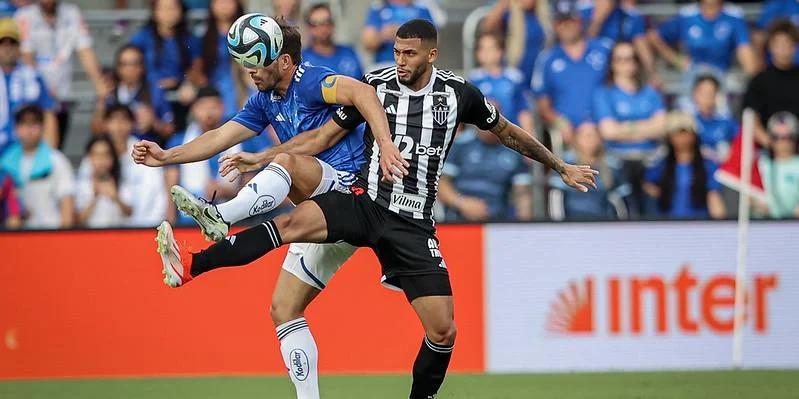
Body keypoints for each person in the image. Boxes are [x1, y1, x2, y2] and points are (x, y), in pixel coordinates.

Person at [153, 19, 597, 399]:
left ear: (431, 54)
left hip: (413, 223)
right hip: (363, 200)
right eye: (396, 52)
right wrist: (261, 157)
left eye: (408, 53)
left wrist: (560, 166)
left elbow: (507, 131)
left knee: (443, 331)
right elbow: (323, 137)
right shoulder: (378, 84)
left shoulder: (461, 95)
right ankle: (195, 261)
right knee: (288, 227)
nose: (400, 60)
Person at [132, 17, 405, 399]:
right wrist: (167, 156)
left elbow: (363, 93)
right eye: (245, 64)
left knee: (285, 163)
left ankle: (221, 215)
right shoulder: (265, 100)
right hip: (323, 212)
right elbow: (219, 135)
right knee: (284, 309)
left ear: (285, 61)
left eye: (257, 63)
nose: (250, 72)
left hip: (349, 190)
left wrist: (386, 144)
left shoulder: (312, 80)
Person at [14, 0, 105, 143]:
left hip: (61, 97)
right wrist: (44, 90)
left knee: (56, 147)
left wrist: (99, 84)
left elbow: (85, 50)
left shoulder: (72, 13)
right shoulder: (24, 16)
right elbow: (27, 58)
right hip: (34, 100)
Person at [593, 41, 665, 217]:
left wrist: (624, 128)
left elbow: (662, 127)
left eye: (630, 59)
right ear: (612, 63)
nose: (626, 64)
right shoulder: (604, 93)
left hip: (651, 158)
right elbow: (608, 131)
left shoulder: (650, 92)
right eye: (620, 59)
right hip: (617, 158)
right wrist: (644, 127)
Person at [532, 0, 612, 147]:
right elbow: (541, 102)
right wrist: (559, 122)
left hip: (605, 127)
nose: (566, 26)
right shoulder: (547, 58)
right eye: (561, 22)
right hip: (567, 134)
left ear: (580, 21)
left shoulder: (603, 49)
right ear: (555, 25)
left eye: (570, 20)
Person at [164, 86, 241, 224]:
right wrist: (170, 218)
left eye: (213, 107)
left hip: (231, 217)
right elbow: (171, 183)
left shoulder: (240, 139)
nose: (209, 113)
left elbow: (250, 180)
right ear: (194, 109)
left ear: (223, 107)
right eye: (203, 107)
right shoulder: (179, 141)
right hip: (189, 220)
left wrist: (226, 191)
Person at [128, 0, 203, 132]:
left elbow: (197, 68)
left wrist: (185, 82)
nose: (168, 13)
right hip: (148, 93)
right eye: (163, 8)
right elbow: (131, 62)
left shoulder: (190, 39)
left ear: (181, 11)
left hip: (180, 95)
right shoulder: (142, 37)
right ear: (155, 12)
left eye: (173, 8)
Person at [0, 105, 73, 229]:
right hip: (17, 237)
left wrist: (63, 238)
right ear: (16, 129)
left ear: (42, 128)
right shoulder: (5, 163)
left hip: (51, 232)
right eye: (24, 124)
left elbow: (67, 203)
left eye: (34, 124)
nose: (29, 129)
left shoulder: (57, 160)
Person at [438, 126, 533, 222]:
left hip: (498, 219)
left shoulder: (514, 150)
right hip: (459, 217)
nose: (488, 125)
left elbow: (522, 192)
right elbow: (441, 184)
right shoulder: (459, 144)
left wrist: (524, 220)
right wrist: (462, 204)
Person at [648, 0, 759, 81]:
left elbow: (744, 49)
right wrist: (677, 60)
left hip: (722, 75)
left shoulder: (734, 16)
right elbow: (654, 37)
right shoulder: (687, 15)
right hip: (691, 75)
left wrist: (754, 78)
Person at [644, 112, 726, 220]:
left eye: (686, 132)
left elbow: (714, 198)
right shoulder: (661, 165)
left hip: (699, 226)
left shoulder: (707, 166)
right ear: (669, 137)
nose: (682, 138)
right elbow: (647, 184)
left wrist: (721, 225)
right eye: (677, 133)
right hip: (666, 226)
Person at [99, 104, 167, 227]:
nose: (118, 126)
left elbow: (158, 198)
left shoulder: (143, 153)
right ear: (105, 125)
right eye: (113, 120)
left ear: (132, 124)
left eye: (123, 120)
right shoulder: (96, 155)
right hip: (103, 230)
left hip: (143, 228)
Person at [91, 44, 173, 141]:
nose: (130, 68)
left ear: (142, 66)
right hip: (116, 152)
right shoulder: (109, 92)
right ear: (118, 68)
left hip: (145, 150)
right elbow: (96, 131)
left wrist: (153, 123)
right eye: (125, 64)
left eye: (135, 63)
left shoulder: (155, 91)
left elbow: (170, 130)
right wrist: (101, 102)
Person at [549, 122, 628, 220]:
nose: (590, 140)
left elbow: (620, 199)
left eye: (594, 135)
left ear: (600, 139)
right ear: (576, 139)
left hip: (604, 221)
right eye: (586, 136)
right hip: (572, 221)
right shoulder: (565, 163)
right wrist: (558, 223)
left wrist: (622, 224)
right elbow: (556, 196)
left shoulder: (612, 165)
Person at [0, 17, 56, 155]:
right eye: (2, 43)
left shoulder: (33, 76)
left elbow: (49, 115)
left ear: (19, 47)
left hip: (27, 151)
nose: (7, 48)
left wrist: (49, 154)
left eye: (12, 43)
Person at [743, 20, 799, 148]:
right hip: (768, 153)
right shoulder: (759, 81)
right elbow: (751, 119)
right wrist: (772, 144)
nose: (783, 49)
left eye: (788, 43)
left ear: (794, 46)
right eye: (779, 44)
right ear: (771, 47)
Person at [469, 32, 534, 133]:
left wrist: (529, 136)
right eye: (482, 48)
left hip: (510, 134)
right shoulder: (473, 79)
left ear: (500, 52)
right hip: (480, 137)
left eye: (490, 49)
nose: (485, 53)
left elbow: (523, 111)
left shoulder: (514, 78)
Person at [579, 0, 657, 83]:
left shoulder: (629, 16)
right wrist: (597, 19)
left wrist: (652, 74)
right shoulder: (582, 13)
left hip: (615, 71)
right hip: (588, 68)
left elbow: (642, 47)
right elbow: (577, 46)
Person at [481, 0, 551, 90]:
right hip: (515, 70)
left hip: (538, 73)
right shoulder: (510, 14)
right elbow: (488, 26)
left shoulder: (542, 15)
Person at [200, 0, 248, 119]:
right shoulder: (203, 36)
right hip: (214, 91)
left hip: (242, 88)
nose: (224, 5)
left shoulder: (249, 34)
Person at [75, 135, 132, 228]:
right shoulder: (81, 184)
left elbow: (130, 213)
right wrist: (95, 196)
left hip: (118, 236)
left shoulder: (122, 180)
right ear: (89, 158)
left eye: (105, 155)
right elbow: (77, 219)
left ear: (112, 158)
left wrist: (116, 198)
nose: (101, 160)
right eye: (96, 155)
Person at [361, 0, 435, 66]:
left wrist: (404, 33)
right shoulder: (378, 8)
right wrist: (384, 34)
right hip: (385, 64)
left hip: (415, 65)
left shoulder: (421, 9)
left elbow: (433, 41)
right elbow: (368, 43)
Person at [301, 3, 363, 80]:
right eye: (315, 24)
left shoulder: (349, 52)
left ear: (333, 24)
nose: (323, 28)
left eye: (327, 22)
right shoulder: (302, 60)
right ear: (308, 27)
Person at [757, 111, 799, 219]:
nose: (781, 142)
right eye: (776, 137)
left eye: (787, 137)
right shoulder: (760, 164)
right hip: (763, 225)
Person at [691, 74, 737, 164]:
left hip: (721, 173)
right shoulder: (688, 122)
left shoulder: (727, 123)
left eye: (711, 93)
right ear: (694, 94)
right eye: (703, 93)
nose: (707, 98)